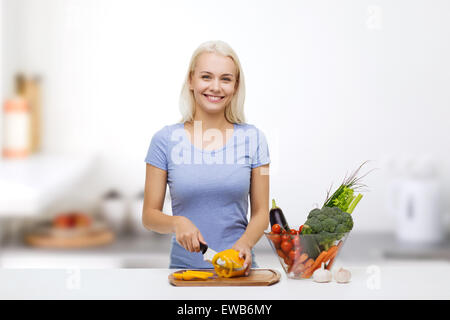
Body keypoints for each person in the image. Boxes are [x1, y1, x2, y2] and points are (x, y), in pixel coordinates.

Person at [142, 40, 270, 275]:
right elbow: (149, 216)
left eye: (225, 79)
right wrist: (177, 222)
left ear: (235, 85)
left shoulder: (254, 139)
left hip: (241, 272)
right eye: (206, 77)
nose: (216, 87)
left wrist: (245, 244)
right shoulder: (165, 140)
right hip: (186, 275)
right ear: (191, 80)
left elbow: (262, 214)